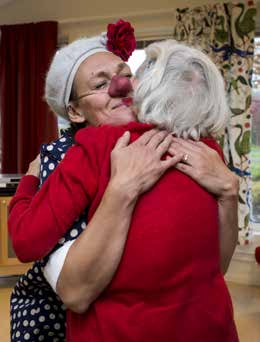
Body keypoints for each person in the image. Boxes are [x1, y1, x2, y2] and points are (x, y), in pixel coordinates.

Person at [8, 21, 238, 341]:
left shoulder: (203, 150)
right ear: (74, 111)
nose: (121, 87)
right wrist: (34, 178)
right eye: (101, 84)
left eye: (125, 74)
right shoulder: (69, 156)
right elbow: (69, 286)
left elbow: (217, 264)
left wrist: (229, 190)